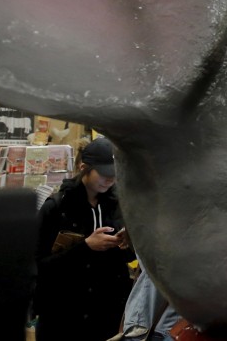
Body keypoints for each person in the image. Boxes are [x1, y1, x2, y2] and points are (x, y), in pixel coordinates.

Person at [34, 137, 135, 341]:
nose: (110, 180)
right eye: (105, 174)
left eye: (115, 175)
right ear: (83, 168)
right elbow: (37, 267)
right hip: (64, 317)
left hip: (108, 316)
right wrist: (86, 247)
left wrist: (128, 242)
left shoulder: (119, 207)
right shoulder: (55, 209)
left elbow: (124, 262)